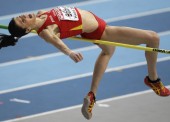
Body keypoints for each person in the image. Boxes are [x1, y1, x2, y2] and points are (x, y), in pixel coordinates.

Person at [0, 6, 169, 120]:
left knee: (107, 52)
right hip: (102, 31)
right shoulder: (46, 31)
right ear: (28, 30)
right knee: (152, 37)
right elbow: (56, 42)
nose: (22, 17)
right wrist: (70, 53)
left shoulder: (41, 14)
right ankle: (153, 79)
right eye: (22, 21)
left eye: (19, 17)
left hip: (93, 27)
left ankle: (92, 95)